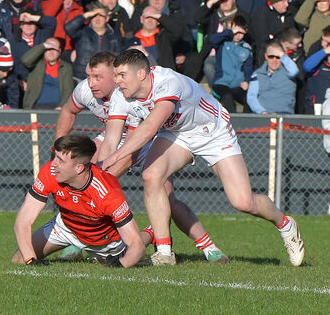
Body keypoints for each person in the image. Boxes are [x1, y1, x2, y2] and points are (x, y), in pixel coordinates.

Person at [102, 49, 305, 266]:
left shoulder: (168, 82)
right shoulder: (120, 95)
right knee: (151, 175)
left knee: (244, 202)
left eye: (122, 75)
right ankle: (164, 253)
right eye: (115, 75)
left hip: (213, 131)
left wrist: (112, 160)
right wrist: (98, 175)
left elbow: (150, 129)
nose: (117, 81)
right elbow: (111, 139)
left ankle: (285, 224)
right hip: (177, 133)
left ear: (141, 74)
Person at [55, 51, 230, 262]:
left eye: (98, 77)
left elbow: (136, 140)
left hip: (147, 141)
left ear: (117, 74)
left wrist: (106, 171)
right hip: (118, 140)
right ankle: (78, 241)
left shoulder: (133, 94)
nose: (91, 83)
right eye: (89, 76)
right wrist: (59, 149)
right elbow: (70, 112)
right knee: (82, 181)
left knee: (166, 197)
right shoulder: (85, 90)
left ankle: (209, 248)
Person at [11, 134, 145, 268]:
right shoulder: (50, 172)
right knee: (19, 260)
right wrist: (30, 260)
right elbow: (23, 221)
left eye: (60, 160)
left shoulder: (107, 192)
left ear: (79, 168)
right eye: (55, 157)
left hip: (102, 241)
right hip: (65, 227)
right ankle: (74, 248)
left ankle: (151, 233)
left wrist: (121, 265)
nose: (53, 164)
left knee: (129, 253)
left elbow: (136, 244)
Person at [247, 40, 299, 114]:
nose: (274, 60)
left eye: (278, 57)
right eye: (271, 56)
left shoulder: (289, 72)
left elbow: (294, 71)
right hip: (263, 117)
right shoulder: (257, 74)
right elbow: (251, 97)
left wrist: (283, 56)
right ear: (266, 56)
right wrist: (262, 111)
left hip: (285, 116)